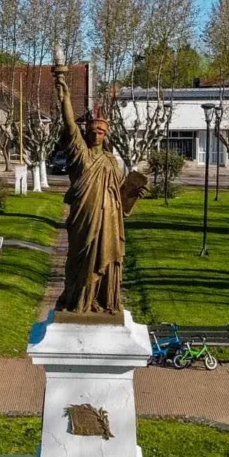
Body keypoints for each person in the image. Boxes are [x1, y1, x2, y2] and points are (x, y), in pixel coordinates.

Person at [54, 49, 146, 315]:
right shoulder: (79, 152)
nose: (97, 134)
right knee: (79, 259)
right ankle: (78, 299)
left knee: (106, 261)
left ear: (107, 135)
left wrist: (132, 193)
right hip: (84, 218)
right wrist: (65, 97)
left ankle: (104, 300)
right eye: (93, 131)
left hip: (108, 220)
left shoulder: (110, 161)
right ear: (87, 133)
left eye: (102, 132)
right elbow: (69, 125)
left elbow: (119, 194)